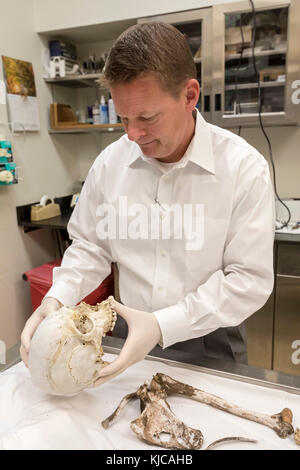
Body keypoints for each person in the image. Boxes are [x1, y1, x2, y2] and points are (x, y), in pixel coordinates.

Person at [20, 22, 275, 386]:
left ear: (190, 95)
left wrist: (161, 325)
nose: (132, 134)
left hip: (212, 340)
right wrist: (58, 299)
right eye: (123, 117)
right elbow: (91, 246)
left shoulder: (243, 169)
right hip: (127, 329)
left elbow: (248, 280)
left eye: (147, 117)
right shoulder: (111, 163)